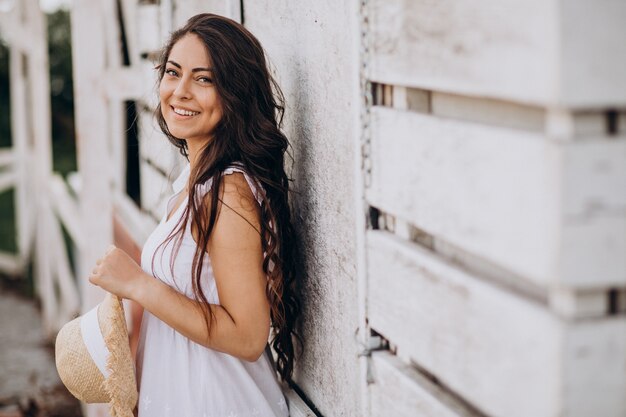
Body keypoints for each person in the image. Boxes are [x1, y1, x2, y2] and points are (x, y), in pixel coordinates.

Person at [88, 13, 301, 417]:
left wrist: (139, 284)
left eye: (204, 79)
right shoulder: (193, 186)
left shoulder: (229, 192)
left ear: (234, 94)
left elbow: (248, 335)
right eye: (173, 72)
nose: (180, 91)